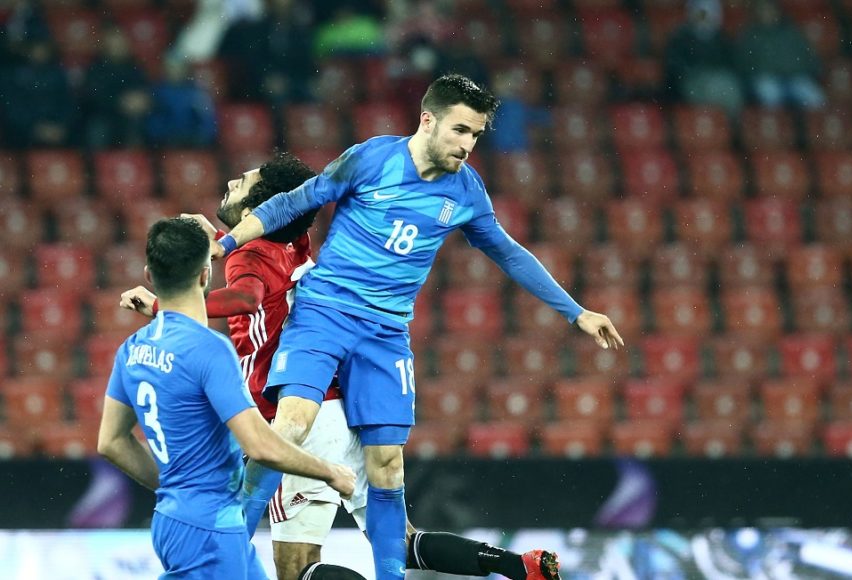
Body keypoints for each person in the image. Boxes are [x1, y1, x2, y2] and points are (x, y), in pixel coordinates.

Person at [212, 73, 624, 580]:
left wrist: (576, 312)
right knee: (291, 424)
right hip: (324, 314)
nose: (467, 145)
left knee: (388, 467)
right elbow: (292, 202)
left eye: (476, 135)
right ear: (428, 120)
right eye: (460, 130)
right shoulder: (371, 159)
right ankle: (227, 552)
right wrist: (224, 245)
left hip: (386, 335)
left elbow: (508, 253)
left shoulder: (467, 191)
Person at [121, 152, 565, 580]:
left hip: (289, 416)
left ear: (257, 209)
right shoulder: (295, 240)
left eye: (243, 183)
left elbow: (247, 296)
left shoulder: (247, 255)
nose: (232, 182)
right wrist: (212, 240)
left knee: (296, 570)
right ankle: (515, 565)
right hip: (337, 405)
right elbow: (275, 237)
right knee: (399, 543)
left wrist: (165, 304)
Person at [98, 217, 357, 579]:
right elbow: (259, 444)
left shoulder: (132, 349)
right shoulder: (209, 350)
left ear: (149, 275)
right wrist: (329, 472)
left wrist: (176, 489)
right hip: (210, 526)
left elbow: (111, 442)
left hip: (181, 517)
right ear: (206, 275)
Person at [734, 0, 825, 109]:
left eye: (770, 10)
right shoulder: (750, 35)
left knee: (815, 98)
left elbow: (807, 56)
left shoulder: (791, 31)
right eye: (763, 10)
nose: (767, 13)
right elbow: (745, 64)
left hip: (795, 77)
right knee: (770, 94)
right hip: (767, 79)